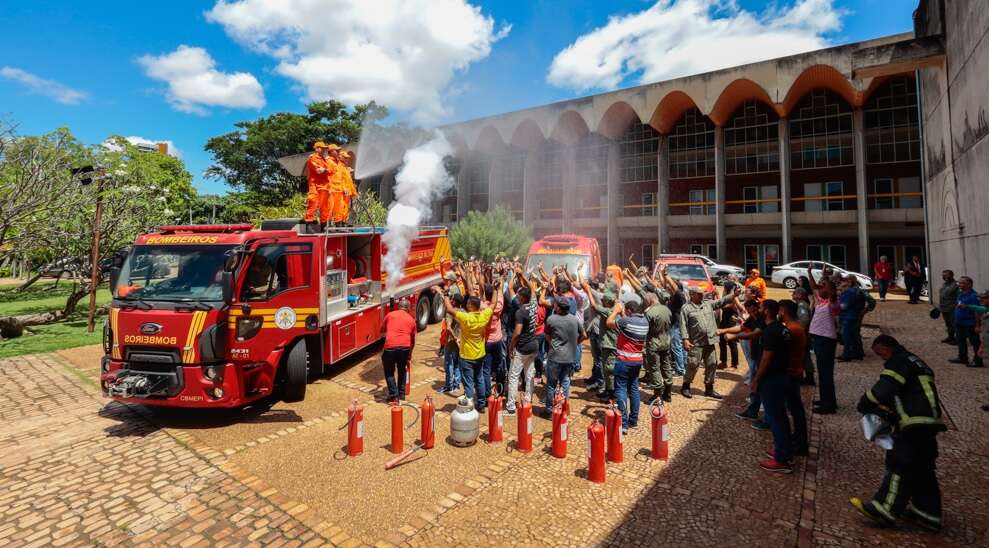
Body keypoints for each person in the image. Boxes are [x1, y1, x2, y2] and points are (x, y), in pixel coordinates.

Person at [850, 335, 946, 531]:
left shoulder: (898, 362)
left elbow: (883, 390)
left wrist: (864, 403)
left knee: (900, 463)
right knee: (923, 469)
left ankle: (884, 509)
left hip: (913, 422)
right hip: (929, 421)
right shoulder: (917, 362)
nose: (882, 360)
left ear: (884, 349)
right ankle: (928, 513)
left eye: (880, 355)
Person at [437, 287, 498, 411]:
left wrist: (446, 295)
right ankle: (481, 404)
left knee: (468, 382)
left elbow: (449, 309)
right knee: (479, 378)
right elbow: (493, 304)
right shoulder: (483, 316)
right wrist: (496, 289)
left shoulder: (465, 317)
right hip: (480, 354)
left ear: (470, 306)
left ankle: (469, 404)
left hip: (466, 356)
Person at [751, 300, 793, 472]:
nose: (759, 310)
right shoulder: (782, 329)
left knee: (776, 418)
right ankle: (783, 450)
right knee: (780, 416)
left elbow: (766, 358)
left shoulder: (770, 332)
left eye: (761, 308)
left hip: (772, 378)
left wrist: (756, 379)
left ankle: (781, 459)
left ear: (767, 311)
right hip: (783, 375)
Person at [679, 285, 738, 399]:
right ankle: (685, 386)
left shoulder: (707, 304)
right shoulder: (686, 308)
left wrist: (733, 295)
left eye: (702, 294)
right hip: (696, 342)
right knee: (693, 364)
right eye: (699, 294)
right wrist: (685, 339)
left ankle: (709, 388)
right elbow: (683, 325)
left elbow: (721, 301)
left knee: (712, 364)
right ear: (692, 295)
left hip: (709, 341)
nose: (702, 295)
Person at [607, 300, 648, 433]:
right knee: (634, 389)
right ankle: (633, 420)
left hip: (624, 360)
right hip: (637, 360)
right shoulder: (644, 322)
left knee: (621, 390)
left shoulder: (626, 322)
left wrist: (616, 311)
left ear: (629, 310)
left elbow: (609, 322)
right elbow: (628, 323)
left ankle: (623, 423)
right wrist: (624, 313)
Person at [724, 299, 767, 426]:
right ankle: (753, 410)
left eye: (754, 310)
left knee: (759, 385)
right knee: (757, 386)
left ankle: (765, 417)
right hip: (756, 356)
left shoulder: (763, 319)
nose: (751, 312)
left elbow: (755, 333)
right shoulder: (754, 318)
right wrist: (723, 330)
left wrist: (735, 336)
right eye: (749, 311)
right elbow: (742, 327)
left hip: (762, 357)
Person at [543, 298, 585, 415]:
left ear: (559, 308)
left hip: (555, 357)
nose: (554, 306)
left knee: (551, 384)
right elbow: (584, 334)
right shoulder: (574, 319)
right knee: (565, 383)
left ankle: (550, 411)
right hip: (569, 357)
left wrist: (552, 343)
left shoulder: (551, 319)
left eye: (556, 305)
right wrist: (575, 343)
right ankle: (563, 409)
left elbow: (546, 334)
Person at [808, 264, 840, 414]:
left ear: (829, 289)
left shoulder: (833, 302)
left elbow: (830, 291)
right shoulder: (820, 299)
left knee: (826, 372)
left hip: (826, 339)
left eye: (823, 286)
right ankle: (826, 399)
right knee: (822, 372)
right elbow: (813, 285)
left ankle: (829, 405)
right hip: (818, 336)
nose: (820, 287)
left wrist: (826, 278)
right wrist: (810, 273)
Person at [779, 299, 809, 458]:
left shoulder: (792, 329)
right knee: (795, 408)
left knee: (794, 409)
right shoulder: (795, 327)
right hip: (794, 371)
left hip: (791, 373)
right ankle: (798, 439)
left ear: (783, 311)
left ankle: (799, 442)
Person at [505, 284, 539, 414]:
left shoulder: (520, 312)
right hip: (533, 345)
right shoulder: (534, 305)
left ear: (523, 297)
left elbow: (517, 333)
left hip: (522, 347)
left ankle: (510, 406)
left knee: (514, 376)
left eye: (518, 295)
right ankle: (528, 400)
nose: (517, 297)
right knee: (529, 374)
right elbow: (534, 291)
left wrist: (511, 346)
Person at [380, 298, 416, 402]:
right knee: (402, 371)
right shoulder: (411, 319)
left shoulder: (390, 315)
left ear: (398, 307)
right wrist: (409, 355)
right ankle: (401, 394)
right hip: (405, 347)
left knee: (389, 372)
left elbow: (381, 330)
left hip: (390, 347)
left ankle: (394, 395)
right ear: (408, 309)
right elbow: (413, 340)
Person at [951, 276, 984, 367]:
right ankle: (962, 357)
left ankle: (978, 360)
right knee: (960, 340)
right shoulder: (961, 294)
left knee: (975, 342)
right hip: (959, 323)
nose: (960, 285)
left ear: (969, 284)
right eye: (959, 283)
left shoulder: (974, 296)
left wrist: (977, 325)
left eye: (962, 283)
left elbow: (977, 311)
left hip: (969, 323)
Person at [437, 293, 464, 395]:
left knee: (449, 364)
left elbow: (448, 327)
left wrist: (455, 338)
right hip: (461, 342)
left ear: (453, 301)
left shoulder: (451, 312)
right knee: (457, 363)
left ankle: (449, 386)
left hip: (452, 342)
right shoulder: (464, 312)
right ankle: (456, 384)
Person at [482, 281, 506, 397]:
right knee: (499, 365)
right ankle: (500, 390)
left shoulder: (483, 308)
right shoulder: (499, 306)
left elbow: (474, 294)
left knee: (486, 369)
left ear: (486, 295)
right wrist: (498, 288)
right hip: (498, 340)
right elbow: (500, 296)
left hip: (487, 341)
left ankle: (487, 394)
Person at [303, 142, 335, 225]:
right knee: (313, 202)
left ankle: (323, 225)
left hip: (324, 186)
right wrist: (326, 170)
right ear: (317, 148)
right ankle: (309, 222)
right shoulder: (312, 158)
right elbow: (319, 170)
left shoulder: (325, 160)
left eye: (325, 148)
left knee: (324, 206)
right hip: (315, 185)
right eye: (322, 148)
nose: (324, 150)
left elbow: (332, 170)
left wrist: (325, 170)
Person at [837, 275, 866, 361]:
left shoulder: (849, 292)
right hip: (853, 316)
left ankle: (847, 355)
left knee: (847, 337)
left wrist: (835, 306)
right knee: (854, 336)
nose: (841, 283)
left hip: (848, 317)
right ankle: (858, 354)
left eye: (843, 281)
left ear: (849, 282)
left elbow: (844, 306)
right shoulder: (856, 291)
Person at [792, 288, 816, 386]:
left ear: (800, 295)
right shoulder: (800, 305)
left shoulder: (801, 306)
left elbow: (804, 321)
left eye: (795, 293)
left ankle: (807, 378)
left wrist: (797, 331)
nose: (792, 294)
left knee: (804, 357)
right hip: (804, 334)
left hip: (803, 335)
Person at [718, 276, 741, 369]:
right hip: (724, 321)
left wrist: (718, 297)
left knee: (732, 343)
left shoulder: (734, 298)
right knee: (722, 342)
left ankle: (734, 364)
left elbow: (726, 307)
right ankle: (723, 362)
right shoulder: (727, 297)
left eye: (724, 288)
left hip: (731, 322)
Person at [937, 270, 959, 345]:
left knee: (954, 324)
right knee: (948, 324)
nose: (944, 277)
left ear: (952, 275)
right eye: (943, 275)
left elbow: (958, 297)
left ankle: (958, 339)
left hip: (952, 308)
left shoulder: (956, 285)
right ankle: (950, 337)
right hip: (944, 308)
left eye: (946, 275)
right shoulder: (945, 284)